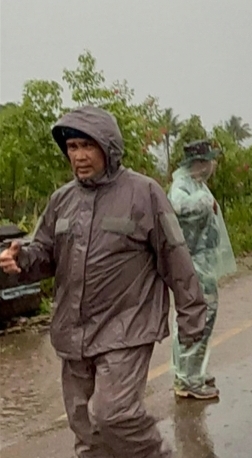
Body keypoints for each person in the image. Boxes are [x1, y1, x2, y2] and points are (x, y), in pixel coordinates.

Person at [0, 106, 207, 458]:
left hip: (127, 325)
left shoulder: (145, 193)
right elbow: (45, 254)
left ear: (108, 147)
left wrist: (192, 317)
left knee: (114, 414)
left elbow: (175, 256)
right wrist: (19, 260)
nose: (78, 156)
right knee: (86, 430)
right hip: (73, 330)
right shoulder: (61, 200)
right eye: (72, 147)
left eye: (86, 145)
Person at [168, 139, 237, 400]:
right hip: (192, 264)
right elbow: (177, 206)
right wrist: (204, 202)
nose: (213, 165)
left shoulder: (196, 183)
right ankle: (188, 380)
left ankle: (191, 372)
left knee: (199, 316)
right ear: (198, 163)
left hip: (202, 263)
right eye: (209, 160)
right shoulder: (182, 186)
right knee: (198, 317)